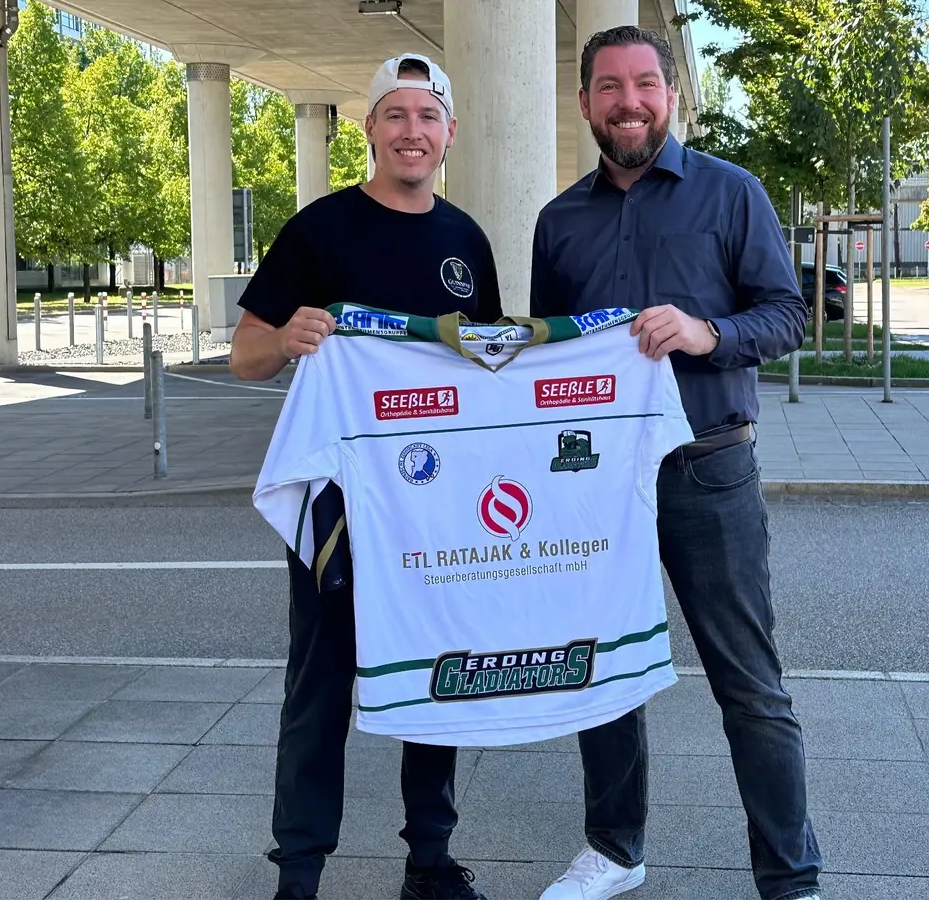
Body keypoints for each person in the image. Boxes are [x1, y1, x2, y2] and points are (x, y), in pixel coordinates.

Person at [527, 25, 824, 900]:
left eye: (645, 84)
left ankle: (790, 875)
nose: (629, 102)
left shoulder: (732, 195)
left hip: (709, 469)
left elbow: (787, 315)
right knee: (606, 667)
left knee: (750, 685)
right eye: (610, 87)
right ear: (584, 103)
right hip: (599, 484)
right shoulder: (559, 221)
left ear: (671, 96)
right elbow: (551, 358)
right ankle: (616, 850)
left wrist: (708, 333)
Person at [230, 51, 503, 900]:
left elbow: (486, 371)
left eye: (427, 117)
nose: (411, 132)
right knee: (319, 687)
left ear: (449, 133)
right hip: (340, 508)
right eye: (396, 116)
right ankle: (300, 872)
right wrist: (287, 339)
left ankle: (430, 860)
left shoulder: (466, 241)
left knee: (436, 675)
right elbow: (245, 358)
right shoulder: (319, 230)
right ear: (370, 129)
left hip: (436, 506)